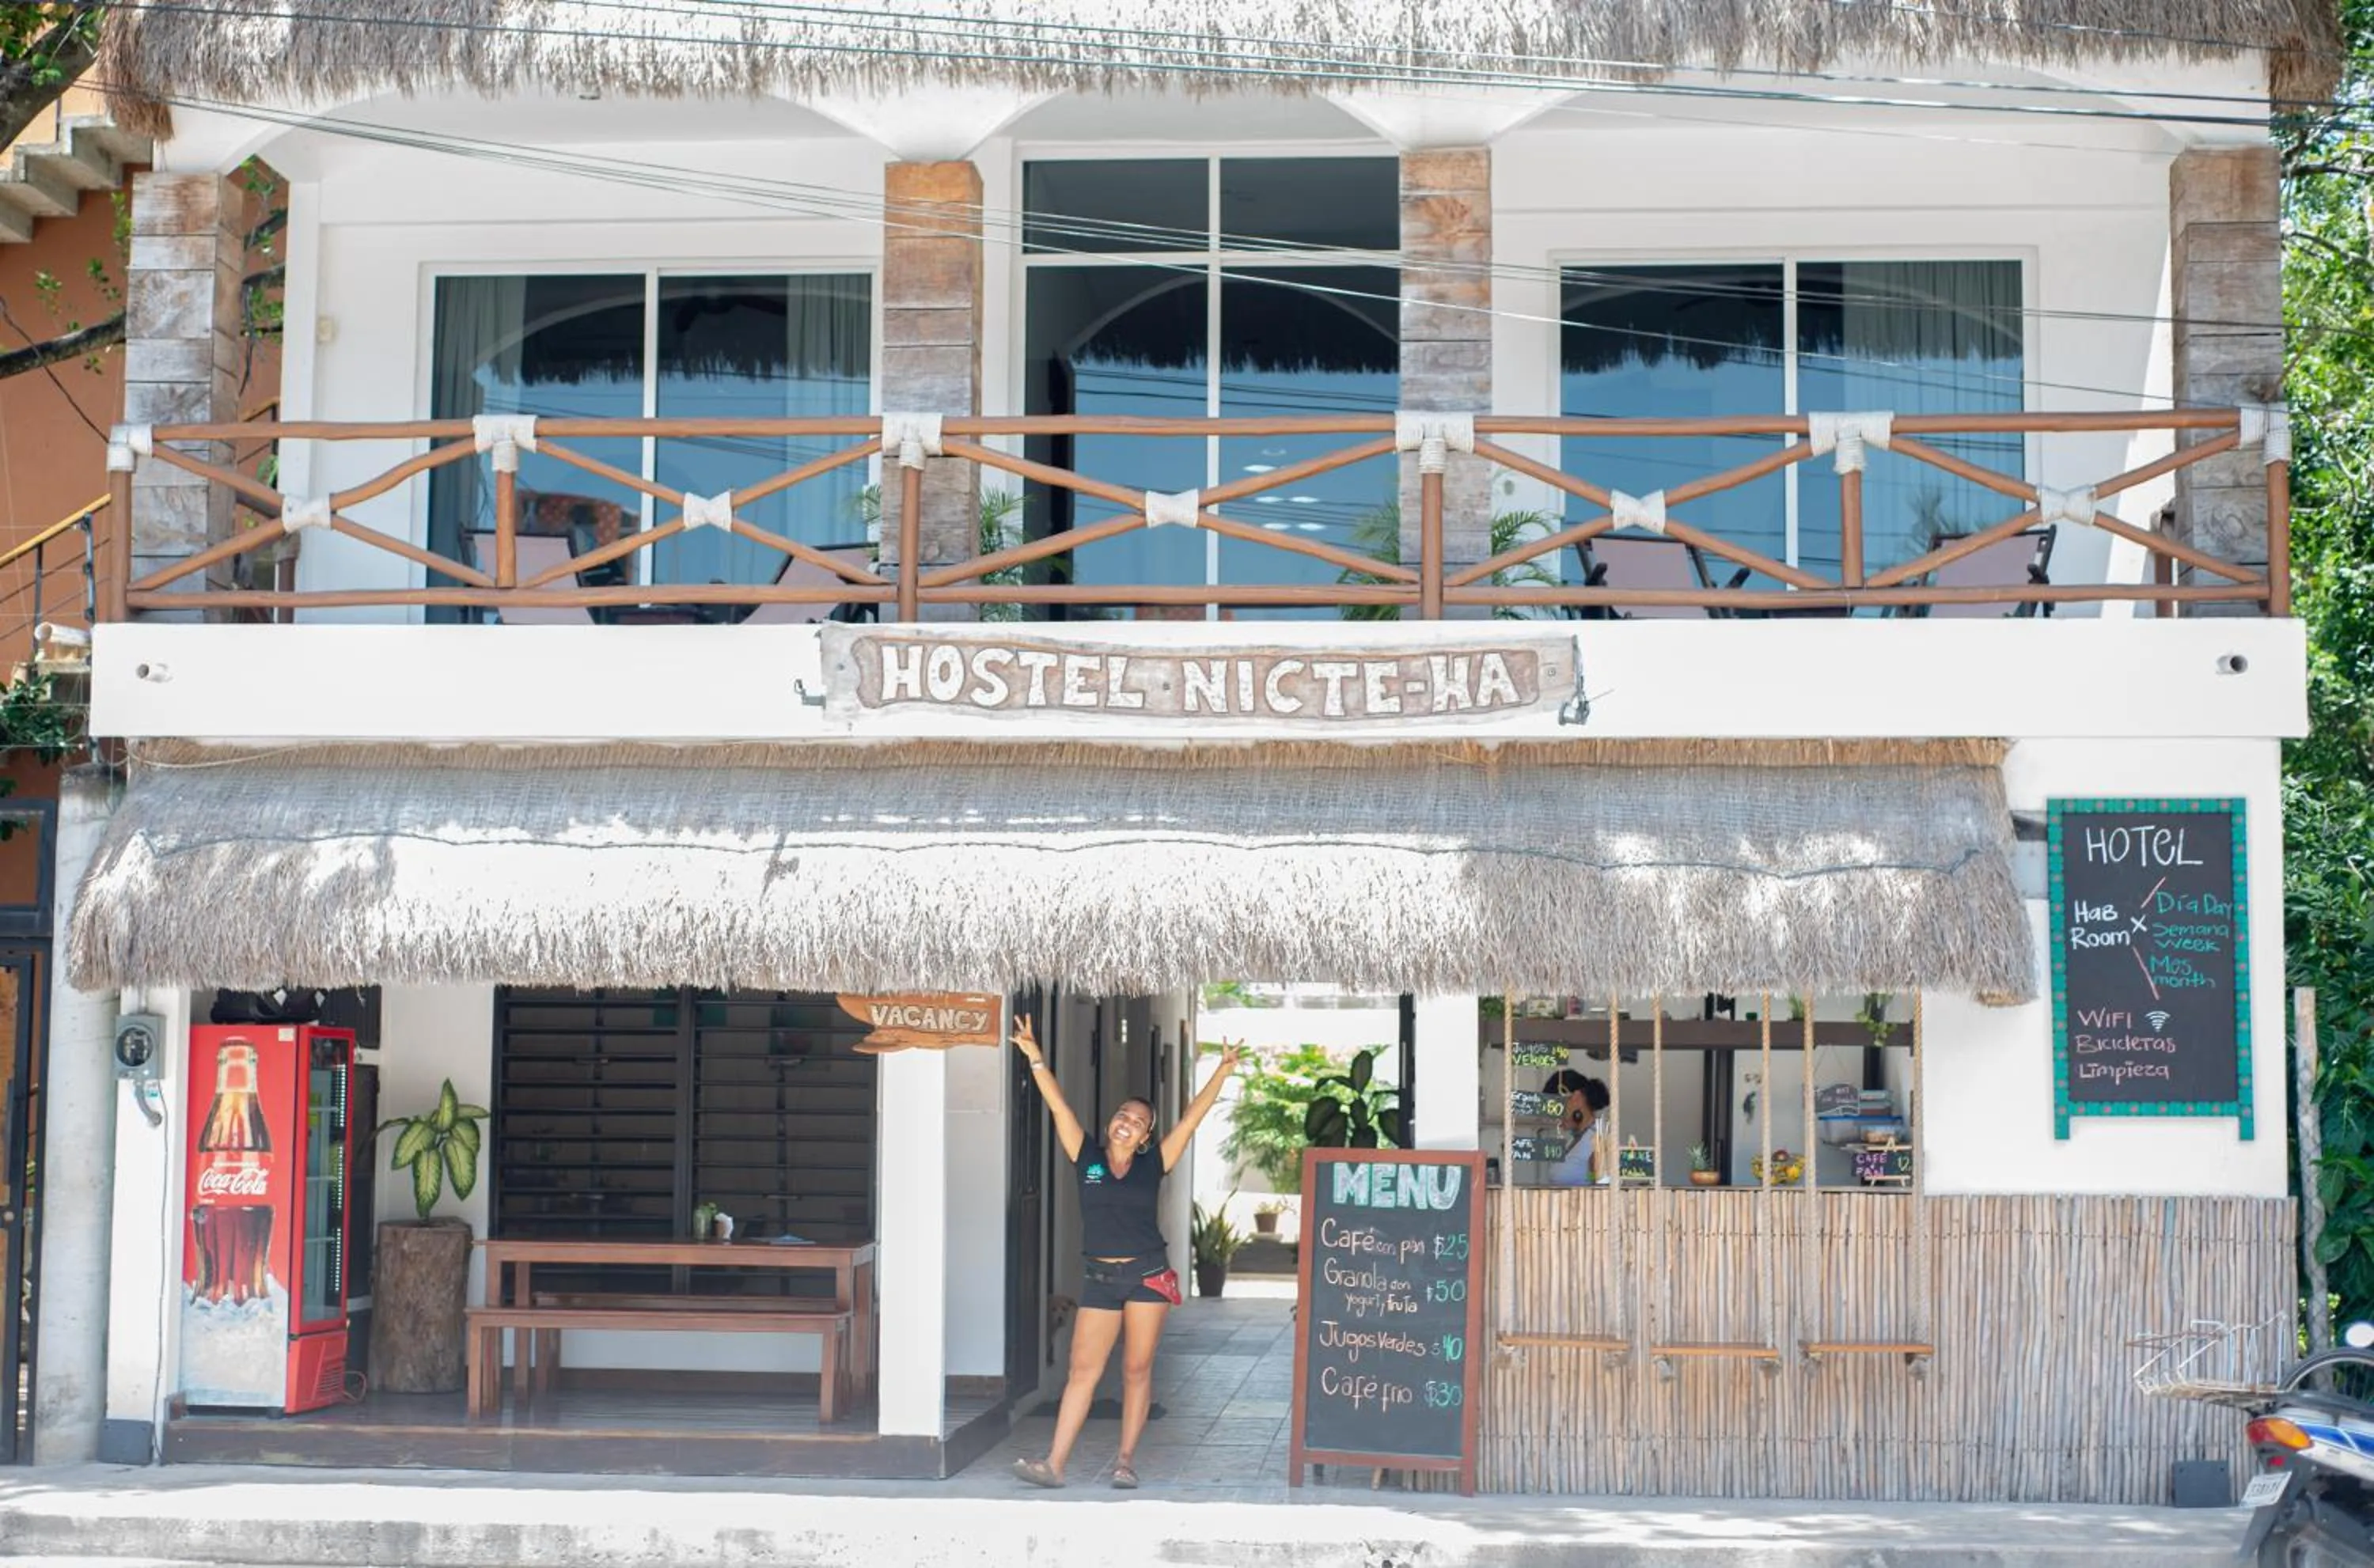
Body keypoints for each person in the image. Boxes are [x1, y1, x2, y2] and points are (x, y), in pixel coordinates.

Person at [1008, 1015, 1243, 1490]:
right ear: (1111, 1122)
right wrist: (1035, 1058)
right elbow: (1058, 1107)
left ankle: (1125, 1462)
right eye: (1122, 1116)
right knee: (1083, 1371)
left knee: (1136, 1369)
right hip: (1100, 1279)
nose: (1127, 1123)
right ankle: (1054, 1464)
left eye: (1138, 1122)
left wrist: (1222, 1071)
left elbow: (1191, 1120)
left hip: (1146, 1275)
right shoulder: (1088, 1158)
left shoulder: (1154, 1163)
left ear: (1145, 1136)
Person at [1543, 1070, 1610, 1187]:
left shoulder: (1598, 1140)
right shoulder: (1575, 1139)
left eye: (1555, 1107)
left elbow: (1602, 1187)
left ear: (1576, 1098)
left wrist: (1593, 1175)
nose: (1553, 1115)